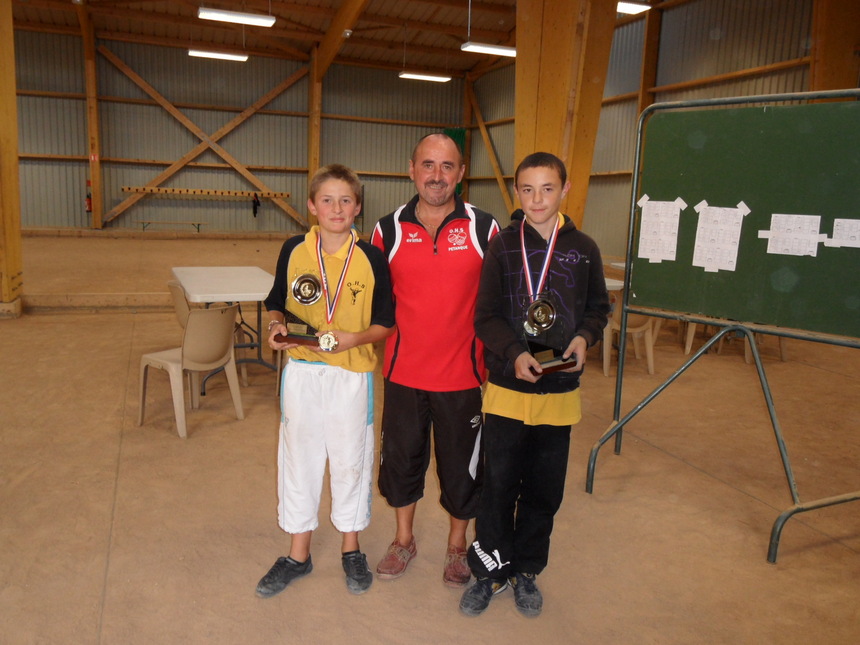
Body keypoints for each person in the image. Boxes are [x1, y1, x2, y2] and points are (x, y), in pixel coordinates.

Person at [459, 152, 610, 617]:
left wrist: (585, 338)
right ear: (516, 193)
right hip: (507, 389)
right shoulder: (503, 248)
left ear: (565, 190)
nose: (537, 198)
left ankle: (526, 570)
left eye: (547, 188)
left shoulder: (584, 248)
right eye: (527, 189)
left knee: (544, 489)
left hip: (559, 393)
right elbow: (485, 316)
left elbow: (598, 308)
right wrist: (515, 352)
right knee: (498, 485)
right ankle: (489, 571)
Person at [256, 164, 395, 598]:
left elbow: (385, 324)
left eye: (346, 200)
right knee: (300, 458)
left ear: (357, 207)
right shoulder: (294, 249)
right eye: (328, 200)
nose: (337, 208)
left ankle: (351, 548)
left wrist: (354, 338)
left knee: (351, 458)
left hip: (351, 375)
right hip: (301, 373)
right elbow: (277, 304)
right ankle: (299, 553)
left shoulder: (372, 257)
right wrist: (276, 328)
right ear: (312, 205)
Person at [370, 133, 500, 587]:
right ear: (412, 170)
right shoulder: (386, 230)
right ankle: (403, 540)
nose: (436, 176)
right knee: (401, 463)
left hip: (462, 377)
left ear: (461, 173)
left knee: (461, 470)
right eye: (428, 165)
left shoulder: (485, 229)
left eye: (447, 167)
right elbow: (374, 302)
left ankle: (457, 547)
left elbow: (501, 300)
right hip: (403, 375)